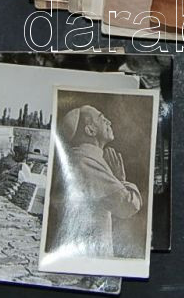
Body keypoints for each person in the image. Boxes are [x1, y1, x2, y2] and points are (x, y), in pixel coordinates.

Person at [46, 105, 142, 257]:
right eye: (102, 118)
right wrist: (121, 181)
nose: (109, 122)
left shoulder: (80, 158)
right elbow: (128, 205)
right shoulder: (86, 162)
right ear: (90, 130)